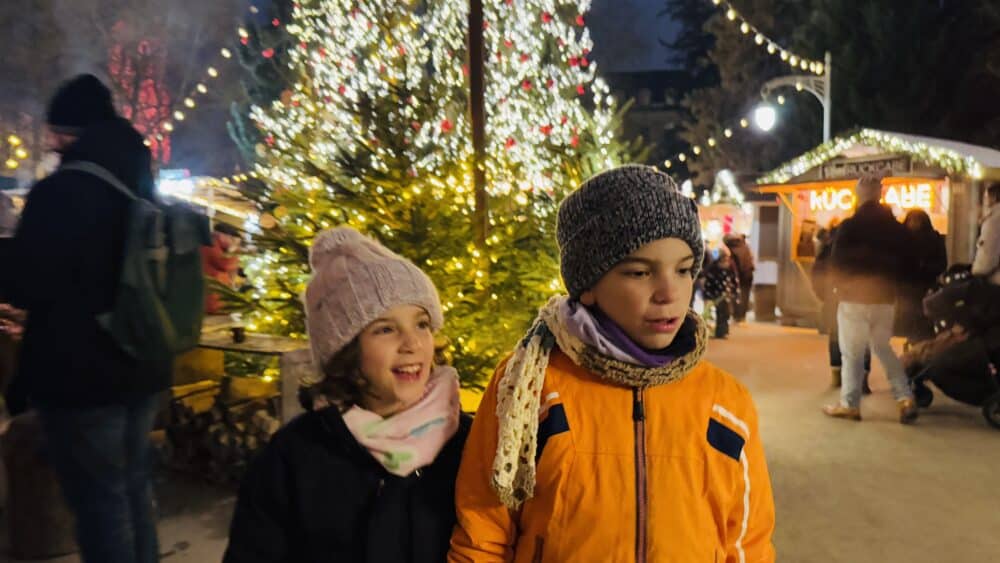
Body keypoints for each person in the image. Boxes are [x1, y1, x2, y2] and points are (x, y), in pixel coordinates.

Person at [449, 165, 775, 562]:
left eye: (685, 269)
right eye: (640, 272)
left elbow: (747, 541)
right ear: (588, 285)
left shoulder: (725, 403)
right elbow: (483, 531)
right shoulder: (530, 386)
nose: (669, 293)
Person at [224, 226, 470, 563]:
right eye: (385, 329)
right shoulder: (295, 457)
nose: (412, 344)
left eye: (422, 324)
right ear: (346, 351)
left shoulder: (468, 443)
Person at [0, 74, 166, 563]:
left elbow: (27, 283)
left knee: (100, 506)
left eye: (55, 133)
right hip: (142, 360)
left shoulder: (62, 192)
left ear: (69, 133)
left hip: (82, 374)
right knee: (133, 493)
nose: (51, 144)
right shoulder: (139, 178)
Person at [824, 175, 917, 423]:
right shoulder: (896, 229)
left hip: (854, 297)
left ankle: (850, 404)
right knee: (883, 348)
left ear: (859, 195)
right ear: (880, 195)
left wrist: (837, 288)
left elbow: (837, 262)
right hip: (884, 298)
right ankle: (905, 398)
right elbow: (909, 263)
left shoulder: (850, 226)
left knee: (852, 353)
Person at [811, 220, 871, 391]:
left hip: (837, 298)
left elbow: (818, 273)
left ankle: (838, 377)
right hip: (857, 298)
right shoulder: (864, 249)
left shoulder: (831, 249)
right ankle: (861, 379)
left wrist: (824, 295)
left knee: (837, 337)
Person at [896, 209, 947, 343]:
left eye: (917, 220)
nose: (914, 224)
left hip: (923, 287)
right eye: (912, 220)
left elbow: (941, 264)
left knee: (921, 321)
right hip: (910, 289)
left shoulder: (933, 239)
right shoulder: (902, 240)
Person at [202, 222, 242, 314]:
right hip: (212, 293)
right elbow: (225, 264)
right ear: (223, 235)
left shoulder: (213, 243)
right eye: (232, 240)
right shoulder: (211, 244)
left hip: (214, 290)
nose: (234, 243)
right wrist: (233, 250)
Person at [704, 251, 739, 338]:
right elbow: (709, 283)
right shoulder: (713, 269)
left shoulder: (730, 269)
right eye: (724, 260)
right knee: (716, 314)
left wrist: (734, 292)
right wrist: (708, 296)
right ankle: (715, 332)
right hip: (715, 296)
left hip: (726, 296)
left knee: (725, 314)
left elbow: (734, 281)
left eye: (727, 260)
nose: (726, 263)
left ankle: (723, 332)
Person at [972, 182, 1000, 285]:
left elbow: (988, 250)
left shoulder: (994, 220)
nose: (985, 200)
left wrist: (977, 270)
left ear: (993, 197)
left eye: (986, 197)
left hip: (994, 279)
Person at [724, 233, 755, 321]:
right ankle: (741, 316)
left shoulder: (730, 248)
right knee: (744, 296)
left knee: (735, 296)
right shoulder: (745, 247)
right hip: (747, 275)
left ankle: (736, 315)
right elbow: (748, 261)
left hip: (736, 275)